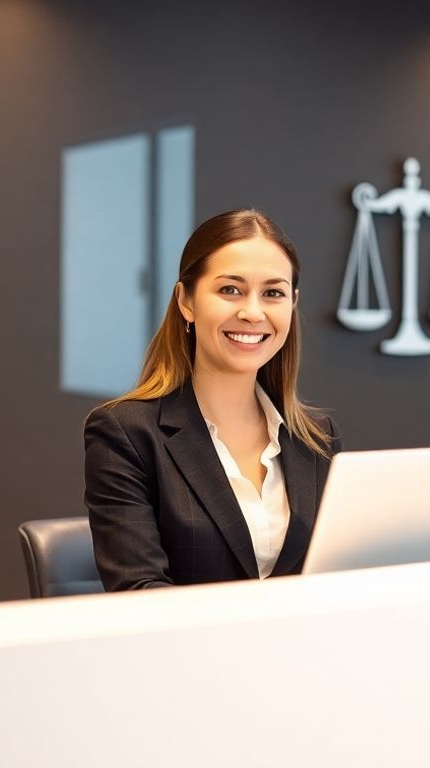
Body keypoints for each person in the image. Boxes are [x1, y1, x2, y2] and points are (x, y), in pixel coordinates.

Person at [83, 209, 340, 590]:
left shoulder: (317, 438)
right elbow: (139, 593)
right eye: (230, 290)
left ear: (293, 303)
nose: (252, 312)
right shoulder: (127, 434)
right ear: (186, 301)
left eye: (273, 293)